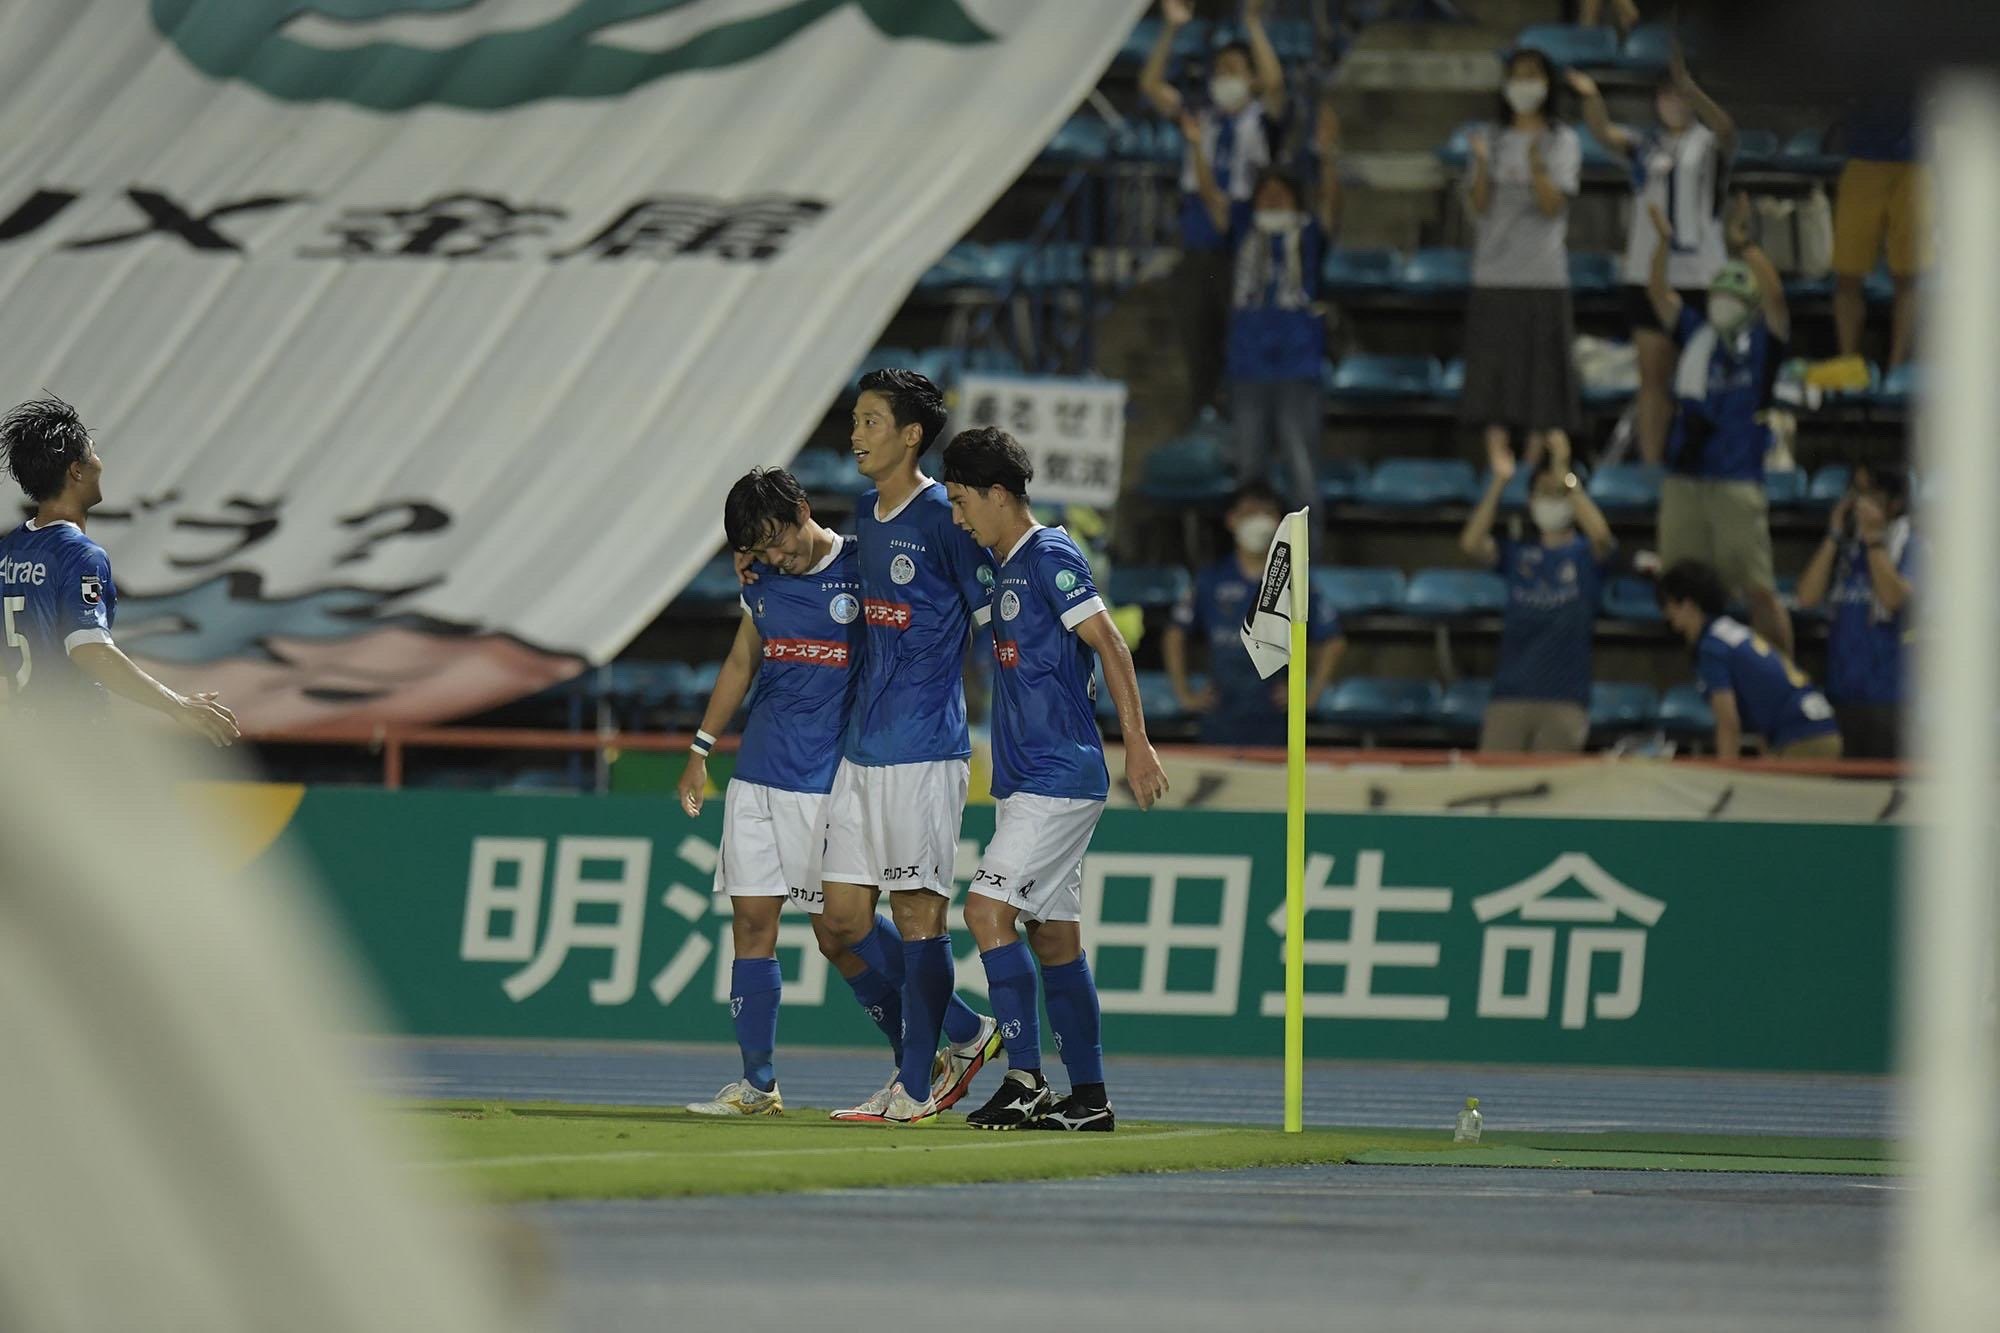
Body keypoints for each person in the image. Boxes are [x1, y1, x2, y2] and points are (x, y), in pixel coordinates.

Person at [738, 369, 1003, 1126]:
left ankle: (914, 1088)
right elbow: (821, 564)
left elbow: (997, 620)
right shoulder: (865, 513)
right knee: (840, 920)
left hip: (925, 750)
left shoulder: (945, 518)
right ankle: (965, 1033)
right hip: (860, 751)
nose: (854, 435)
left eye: (870, 421)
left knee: (919, 918)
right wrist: (756, 559)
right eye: (854, 421)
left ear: (910, 435)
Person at [940, 428, 1169, 1131]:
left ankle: (1024, 1078)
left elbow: (1112, 643)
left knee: (985, 912)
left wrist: (1137, 743)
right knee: (1054, 939)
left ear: (997, 494)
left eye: (961, 501)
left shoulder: (1050, 555)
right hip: (1024, 781)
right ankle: (1090, 1099)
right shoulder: (1003, 565)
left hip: (1059, 775)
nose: (958, 517)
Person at [677, 468, 877, 1116]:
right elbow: (743, 660)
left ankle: (940, 1034)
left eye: (778, 540)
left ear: (803, 509)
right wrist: (701, 749)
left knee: (839, 934)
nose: (776, 556)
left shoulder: (865, 565)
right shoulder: (760, 579)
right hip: (757, 774)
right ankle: (758, 1084)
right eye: (759, 548)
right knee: (750, 923)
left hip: (825, 783)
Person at [0, 396, 238, 745]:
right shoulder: (80, 554)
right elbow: (90, 649)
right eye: (93, 452)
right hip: (74, 738)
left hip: (23, 741)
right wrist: (177, 705)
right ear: (76, 470)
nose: (100, 462)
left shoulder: (8, 551)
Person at [1647, 199, 1796, 659]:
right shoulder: (1696, 334)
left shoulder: (1762, 347)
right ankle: (1711, 677)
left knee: (1758, 590)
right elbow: (1658, 294)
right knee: (1680, 589)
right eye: (1717, 294)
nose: (1722, 302)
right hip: (1686, 479)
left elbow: (1777, 301)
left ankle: (1785, 680)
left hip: (1736, 480)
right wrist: (1663, 244)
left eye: (1733, 295)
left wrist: (1744, 247)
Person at [1571, 54, 1736, 465]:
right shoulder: (1645, 146)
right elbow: (1603, 133)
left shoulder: (1709, 144)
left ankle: (1700, 462)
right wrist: (1592, 99)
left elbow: (1727, 130)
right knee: (1653, 379)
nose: (1674, 102)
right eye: (1667, 94)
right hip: (1648, 275)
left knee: (1702, 376)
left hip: (1701, 277)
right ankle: (1650, 466)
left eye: (1681, 95)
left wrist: (1695, 92)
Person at [1187, 101, 1342, 516]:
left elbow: (1330, 201)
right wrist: (1197, 147)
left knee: (1302, 472)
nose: (1272, 201)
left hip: (1297, 367)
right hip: (1247, 367)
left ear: (1296, 202)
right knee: (1249, 471)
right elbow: (1211, 197)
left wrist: (1328, 156)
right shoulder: (1242, 230)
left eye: (1280, 194)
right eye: (1265, 195)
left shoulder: (1309, 235)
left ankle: (1307, 554)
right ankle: (1254, 551)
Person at [1141, 0, 1288, 418]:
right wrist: (1170, 30)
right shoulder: (1201, 115)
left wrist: (1253, 24)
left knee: (1236, 344)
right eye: (1219, 69)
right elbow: (1151, 85)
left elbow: (1275, 85)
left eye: (1234, 69)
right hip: (1197, 242)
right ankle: (1200, 415)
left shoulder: (1260, 120)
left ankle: (1238, 420)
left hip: (1241, 243)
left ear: (1250, 78)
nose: (1224, 76)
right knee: (1197, 345)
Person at [1462, 46, 1583, 472]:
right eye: (1516, 75)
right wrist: (1481, 165)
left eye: (1533, 75)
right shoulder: (1490, 138)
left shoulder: (1561, 140)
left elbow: (1553, 206)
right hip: (1493, 273)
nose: (1523, 84)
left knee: (1541, 381)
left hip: (1542, 275)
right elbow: (1479, 205)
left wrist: (1536, 167)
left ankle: (1533, 465)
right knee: (1492, 378)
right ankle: (1499, 464)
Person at [1459, 434, 1616, 752]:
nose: (1550, 500)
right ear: (1530, 501)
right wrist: (1499, 483)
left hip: (1564, 701)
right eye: (1542, 492)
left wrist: (1565, 474)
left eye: (1557, 493)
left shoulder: (1585, 557)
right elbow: (1471, 543)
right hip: (1509, 698)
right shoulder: (1518, 555)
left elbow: (1602, 537)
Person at [1164, 482, 1343, 748]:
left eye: (1266, 512)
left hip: (1275, 724)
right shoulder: (1211, 579)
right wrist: (1185, 695)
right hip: (1219, 720)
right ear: (1231, 520)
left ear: (1279, 522)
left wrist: (1310, 695)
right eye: (1249, 513)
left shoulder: (1295, 581)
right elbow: (1174, 634)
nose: (1258, 520)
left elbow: (1333, 640)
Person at [1657, 559, 1841, 760]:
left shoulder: (1711, 648)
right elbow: (1763, 702)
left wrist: (1725, 774)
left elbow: (1728, 724)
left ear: (1688, 604)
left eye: (1668, 604)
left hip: (1802, 738)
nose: (1666, 614)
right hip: (1818, 728)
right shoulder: (1731, 632)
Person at [1792, 463, 1916, 758]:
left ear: (1895, 503)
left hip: (1889, 697)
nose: (1859, 503)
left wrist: (1874, 540)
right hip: (1841, 692)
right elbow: (1806, 597)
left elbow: (1894, 599)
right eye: (1855, 493)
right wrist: (1833, 536)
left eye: (1870, 494)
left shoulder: (1911, 545)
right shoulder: (1846, 549)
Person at [1829, 93, 1926, 376]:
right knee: (1848, 273)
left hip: (1914, 160)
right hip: (1862, 158)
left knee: (1908, 274)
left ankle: (1897, 369)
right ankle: (1847, 361)